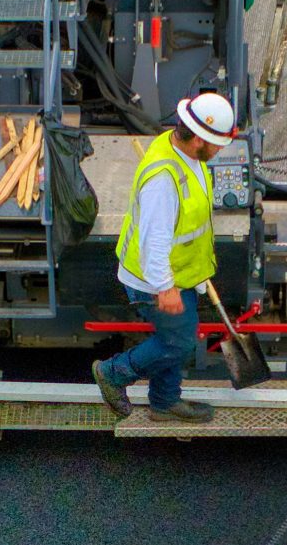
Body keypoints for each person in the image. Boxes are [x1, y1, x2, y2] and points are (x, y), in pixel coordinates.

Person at [92, 92, 238, 424]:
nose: (220, 151)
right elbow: (153, 241)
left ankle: (164, 402)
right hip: (154, 280)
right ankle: (113, 373)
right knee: (179, 343)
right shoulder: (163, 181)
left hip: (181, 273)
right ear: (198, 139)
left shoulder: (183, 151)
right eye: (217, 144)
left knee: (175, 337)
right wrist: (165, 287)